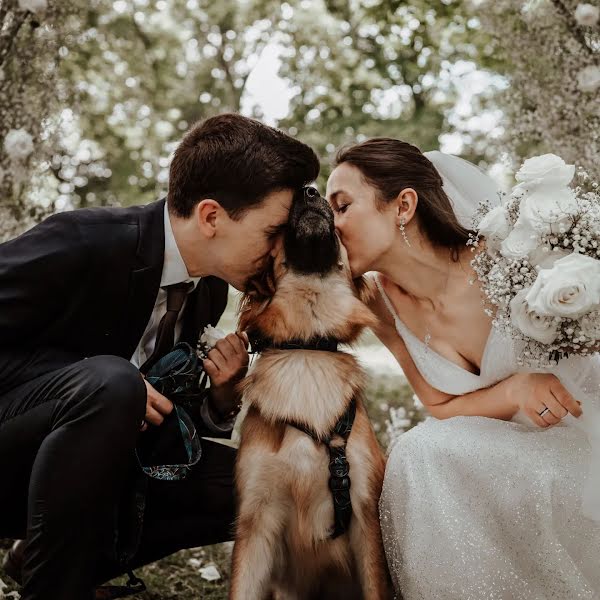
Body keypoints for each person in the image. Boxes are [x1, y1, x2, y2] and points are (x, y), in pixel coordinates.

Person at [0, 113, 320, 600]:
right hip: (11, 456)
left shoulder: (209, 291)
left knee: (269, 489)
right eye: (273, 231)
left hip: (96, 472)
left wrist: (219, 399)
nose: (279, 251)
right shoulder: (86, 241)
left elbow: (172, 426)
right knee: (113, 385)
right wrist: (102, 388)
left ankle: (54, 561)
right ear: (211, 217)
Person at [325, 137, 600, 599]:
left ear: (403, 205)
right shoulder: (379, 303)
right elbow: (438, 402)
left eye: (343, 205)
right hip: (503, 452)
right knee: (420, 452)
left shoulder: (507, 255)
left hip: (582, 433)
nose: (332, 225)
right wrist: (515, 390)